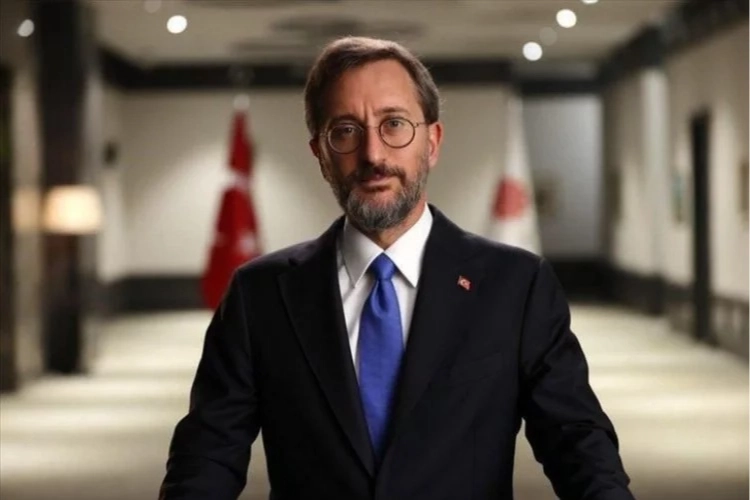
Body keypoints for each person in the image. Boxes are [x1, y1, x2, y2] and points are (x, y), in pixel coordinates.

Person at [159, 36, 635, 500]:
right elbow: (207, 456)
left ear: (433, 141)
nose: (373, 154)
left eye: (394, 124)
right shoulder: (258, 294)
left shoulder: (516, 285)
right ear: (320, 154)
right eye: (346, 130)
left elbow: (577, 444)